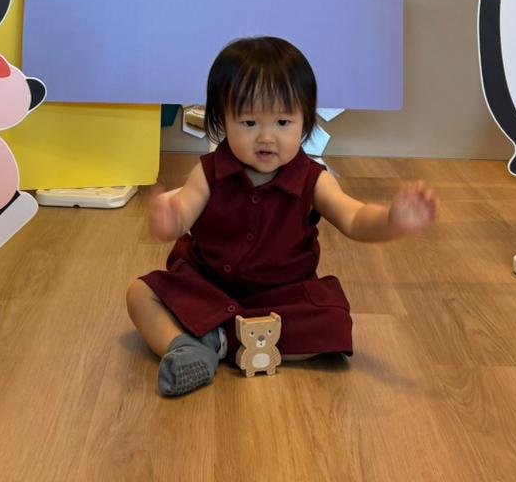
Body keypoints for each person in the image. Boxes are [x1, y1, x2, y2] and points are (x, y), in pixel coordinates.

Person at [125, 36, 439, 397]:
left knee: (333, 321)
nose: (267, 137)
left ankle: (216, 339)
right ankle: (189, 346)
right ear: (221, 120)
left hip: (281, 298)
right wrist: (170, 220)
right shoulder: (209, 171)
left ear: (305, 121)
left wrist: (391, 220)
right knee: (140, 294)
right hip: (208, 286)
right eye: (248, 122)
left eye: (283, 121)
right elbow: (185, 209)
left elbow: (354, 218)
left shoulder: (312, 179)